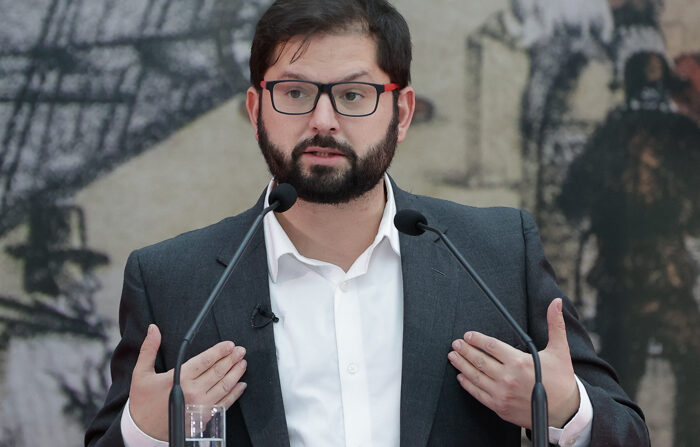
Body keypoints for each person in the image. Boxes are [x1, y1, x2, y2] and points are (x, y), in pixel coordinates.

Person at [85, 1, 649, 446]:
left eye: (354, 94)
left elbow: (628, 435)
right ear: (256, 110)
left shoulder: (496, 254)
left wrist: (564, 409)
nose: (323, 120)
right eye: (296, 93)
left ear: (400, 113)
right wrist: (147, 435)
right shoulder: (172, 280)